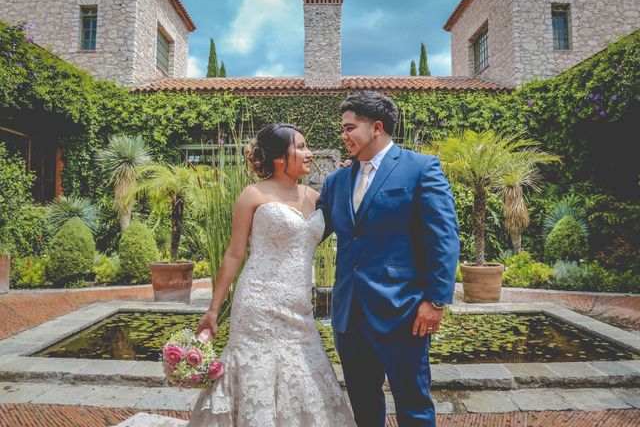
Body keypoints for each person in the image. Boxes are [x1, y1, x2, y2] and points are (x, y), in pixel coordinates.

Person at [115, 123, 355, 427]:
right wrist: (213, 310)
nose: (309, 154)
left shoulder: (316, 197)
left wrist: (350, 174)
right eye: (302, 147)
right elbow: (233, 254)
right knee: (255, 370)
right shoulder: (252, 195)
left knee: (305, 371)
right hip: (258, 303)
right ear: (280, 157)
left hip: (300, 308)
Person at [318, 91, 460, 426]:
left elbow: (444, 236)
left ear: (376, 127)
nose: (344, 135)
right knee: (365, 407)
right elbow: (311, 228)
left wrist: (436, 301)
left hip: (403, 311)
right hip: (349, 315)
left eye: (350, 127)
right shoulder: (335, 181)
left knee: (413, 404)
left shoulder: (421, 168)